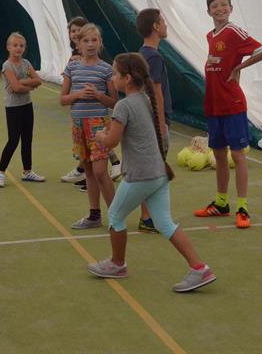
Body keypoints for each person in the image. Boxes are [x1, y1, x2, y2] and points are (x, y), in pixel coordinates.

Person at [88, 53, 216, 292]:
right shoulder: (146, 100)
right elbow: (145, 132)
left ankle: (117, 264)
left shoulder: (123, 104)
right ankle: (200, 268)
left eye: (115, 73)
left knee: (115, 215)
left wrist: (100, 136)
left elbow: (111, 141)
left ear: (127, 79)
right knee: (165, 223)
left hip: (142, 175)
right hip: (159, 172)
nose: (112, 77)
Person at [193, 0, 262, 228]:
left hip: (233, 104)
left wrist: (240, 67)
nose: (220, 9)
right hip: (214, 105)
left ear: (231, 9)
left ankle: (243, 208)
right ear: (208, 11)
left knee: (237, 155)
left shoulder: (234, 32)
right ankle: (221, 203)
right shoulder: (210, 36)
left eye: (224, 5)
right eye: (215, 6)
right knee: (218, 154)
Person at [60, 23, 117, 229]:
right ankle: (95, 215)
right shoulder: (72, 67)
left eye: (94, 40)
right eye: (86, 40)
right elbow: (63, 99)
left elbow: (114, 101)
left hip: (99, 126)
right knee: (90, 172)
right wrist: (78, 95)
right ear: (78, 43)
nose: (90, 44)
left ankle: (116, 215)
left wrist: (98, 95)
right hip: (78, 125)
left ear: (100, 43)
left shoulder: (106, 69)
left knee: (101, 171)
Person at [135, 8, 173, 233]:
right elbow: (156, 92)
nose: (166, 26)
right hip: (155, 122)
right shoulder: (155, 57)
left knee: (151, 170)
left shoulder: (142, 54)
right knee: (156, 172)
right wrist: (160, 124)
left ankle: (148, 216)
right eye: (163, 22)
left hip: (146, 120)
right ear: (156, 27)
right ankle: (148, 218)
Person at [0, 32, 45, 187]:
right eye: (15, 45)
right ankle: (0, 173)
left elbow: (38, 81)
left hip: (26, 106)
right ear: (8, 47)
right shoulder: (7, 66)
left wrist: (22, 82)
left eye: (21, 46)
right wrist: (28, 85)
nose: (18, 48)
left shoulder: (26, 63)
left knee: (27, 139)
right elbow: (15, 88)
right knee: (13, 140)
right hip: (13, 108)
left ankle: (27, 171)